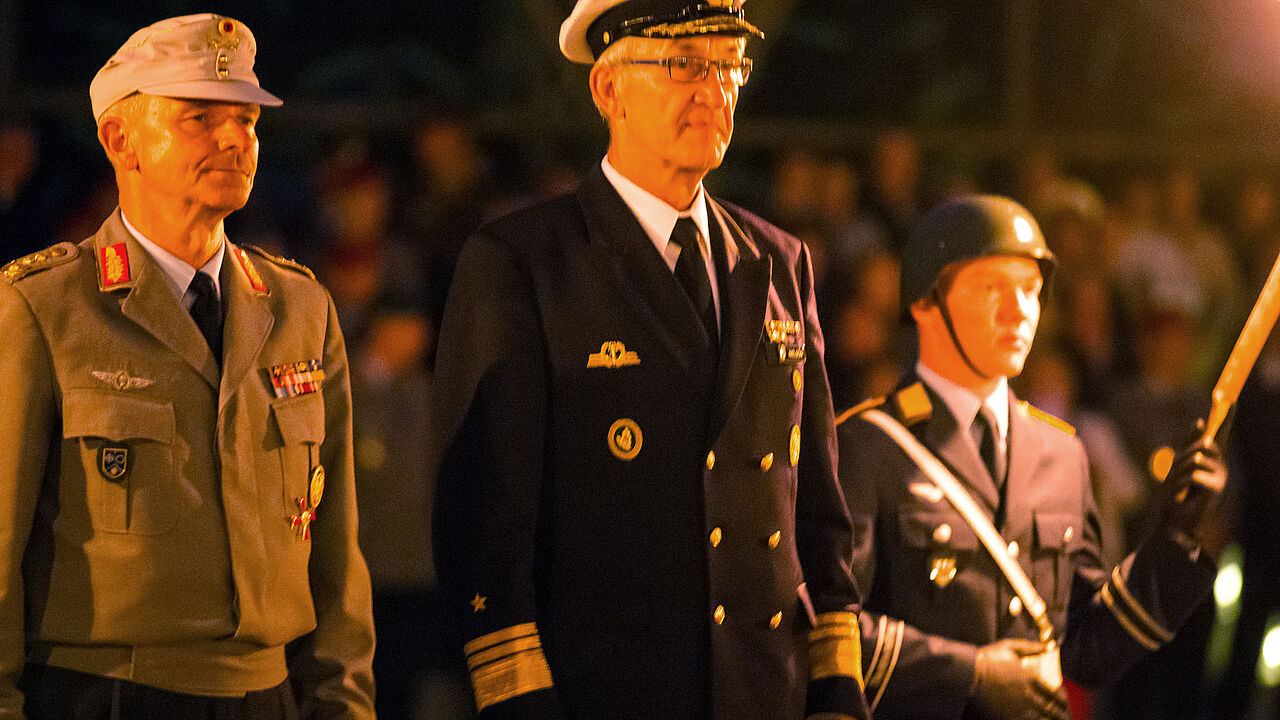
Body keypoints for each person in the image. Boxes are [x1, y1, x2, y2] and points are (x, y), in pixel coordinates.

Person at [429, 1, 871, 718]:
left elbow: (817, 508)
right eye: (683, 64)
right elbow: (486, 524)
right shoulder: (524, 263)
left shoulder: (778, 260)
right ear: (608, 89)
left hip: (766, 690)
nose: (714, 89)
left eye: (728, 65)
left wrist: (836, 687)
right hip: (605, 691)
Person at [0, 14, 375, 719]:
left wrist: (344, 705)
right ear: (121, 140)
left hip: (269, 695)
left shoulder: (300, 308)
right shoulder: (45, 309)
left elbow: (336, 555)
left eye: (247, 120)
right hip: (105, 695)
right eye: (200, 117)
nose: (236, 138)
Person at [834, 195, 1225, 720]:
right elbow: (829, 631)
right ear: (926, 302)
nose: (1019, 309)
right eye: (992, 287)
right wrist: (970, 673)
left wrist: (1174, 538)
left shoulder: (1060, 454)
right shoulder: (868, 447)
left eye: (1031, 289)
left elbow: (1085, 645)